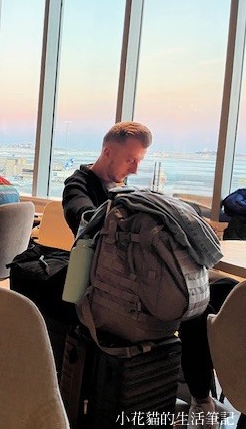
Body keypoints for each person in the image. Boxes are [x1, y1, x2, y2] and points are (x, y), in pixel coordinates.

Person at [62, 121, 232, 429]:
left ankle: (206, 382)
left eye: (139, 161)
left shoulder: (128, 191)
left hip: (140, 274)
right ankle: (200, 397)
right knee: (194, 307)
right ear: (107, 152)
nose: (135, 169)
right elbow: (82, 217)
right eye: (130, 160)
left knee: (226, 290)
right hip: (111, 283)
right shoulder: (79, 185)